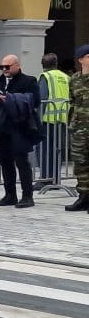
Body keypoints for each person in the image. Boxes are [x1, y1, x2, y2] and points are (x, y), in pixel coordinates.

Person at [0, 54, 41, 208]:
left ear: (17, 65)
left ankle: (27, 196)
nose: (4, 70)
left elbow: (35, 101)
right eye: (1, 67)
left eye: (7, 67)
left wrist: (10, 98)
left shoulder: (28, 81)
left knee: (22, 162)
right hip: (1, 127)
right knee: (5, 163)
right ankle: (10, 195)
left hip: (19, 126)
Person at [37, 53, 69, 187]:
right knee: (57, 149)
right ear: (56, 63)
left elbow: (42, 98)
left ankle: (45, 179)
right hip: (61, 118)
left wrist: (36, 119)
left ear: (43, 65)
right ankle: (55, 178)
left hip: (47, 119)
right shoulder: (66, 77)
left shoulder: (46, 77)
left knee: (43, 149)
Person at [65, 44, 89, 212]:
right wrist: (71, 122)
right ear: (81, 60)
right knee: (80, 163)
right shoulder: (74, 79)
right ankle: (83, 196)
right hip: (80, 128)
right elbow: (72, 102)